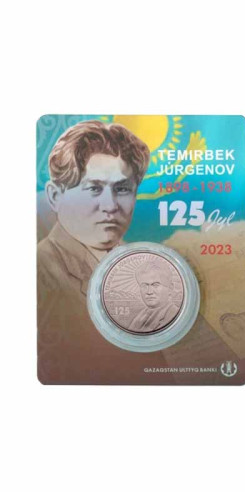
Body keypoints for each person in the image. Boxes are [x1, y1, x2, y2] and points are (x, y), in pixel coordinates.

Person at [37, 120, 172, 384]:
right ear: (54, 196)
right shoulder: (38, 272)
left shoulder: (142, 265)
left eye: (122, 189)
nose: (110, 205)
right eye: (93, 188)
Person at [129, 261, 180, 333]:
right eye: (144, 285)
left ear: (170, 288)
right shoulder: (140, 317)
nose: (149, 292)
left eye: (155, 285)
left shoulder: (174, 315)